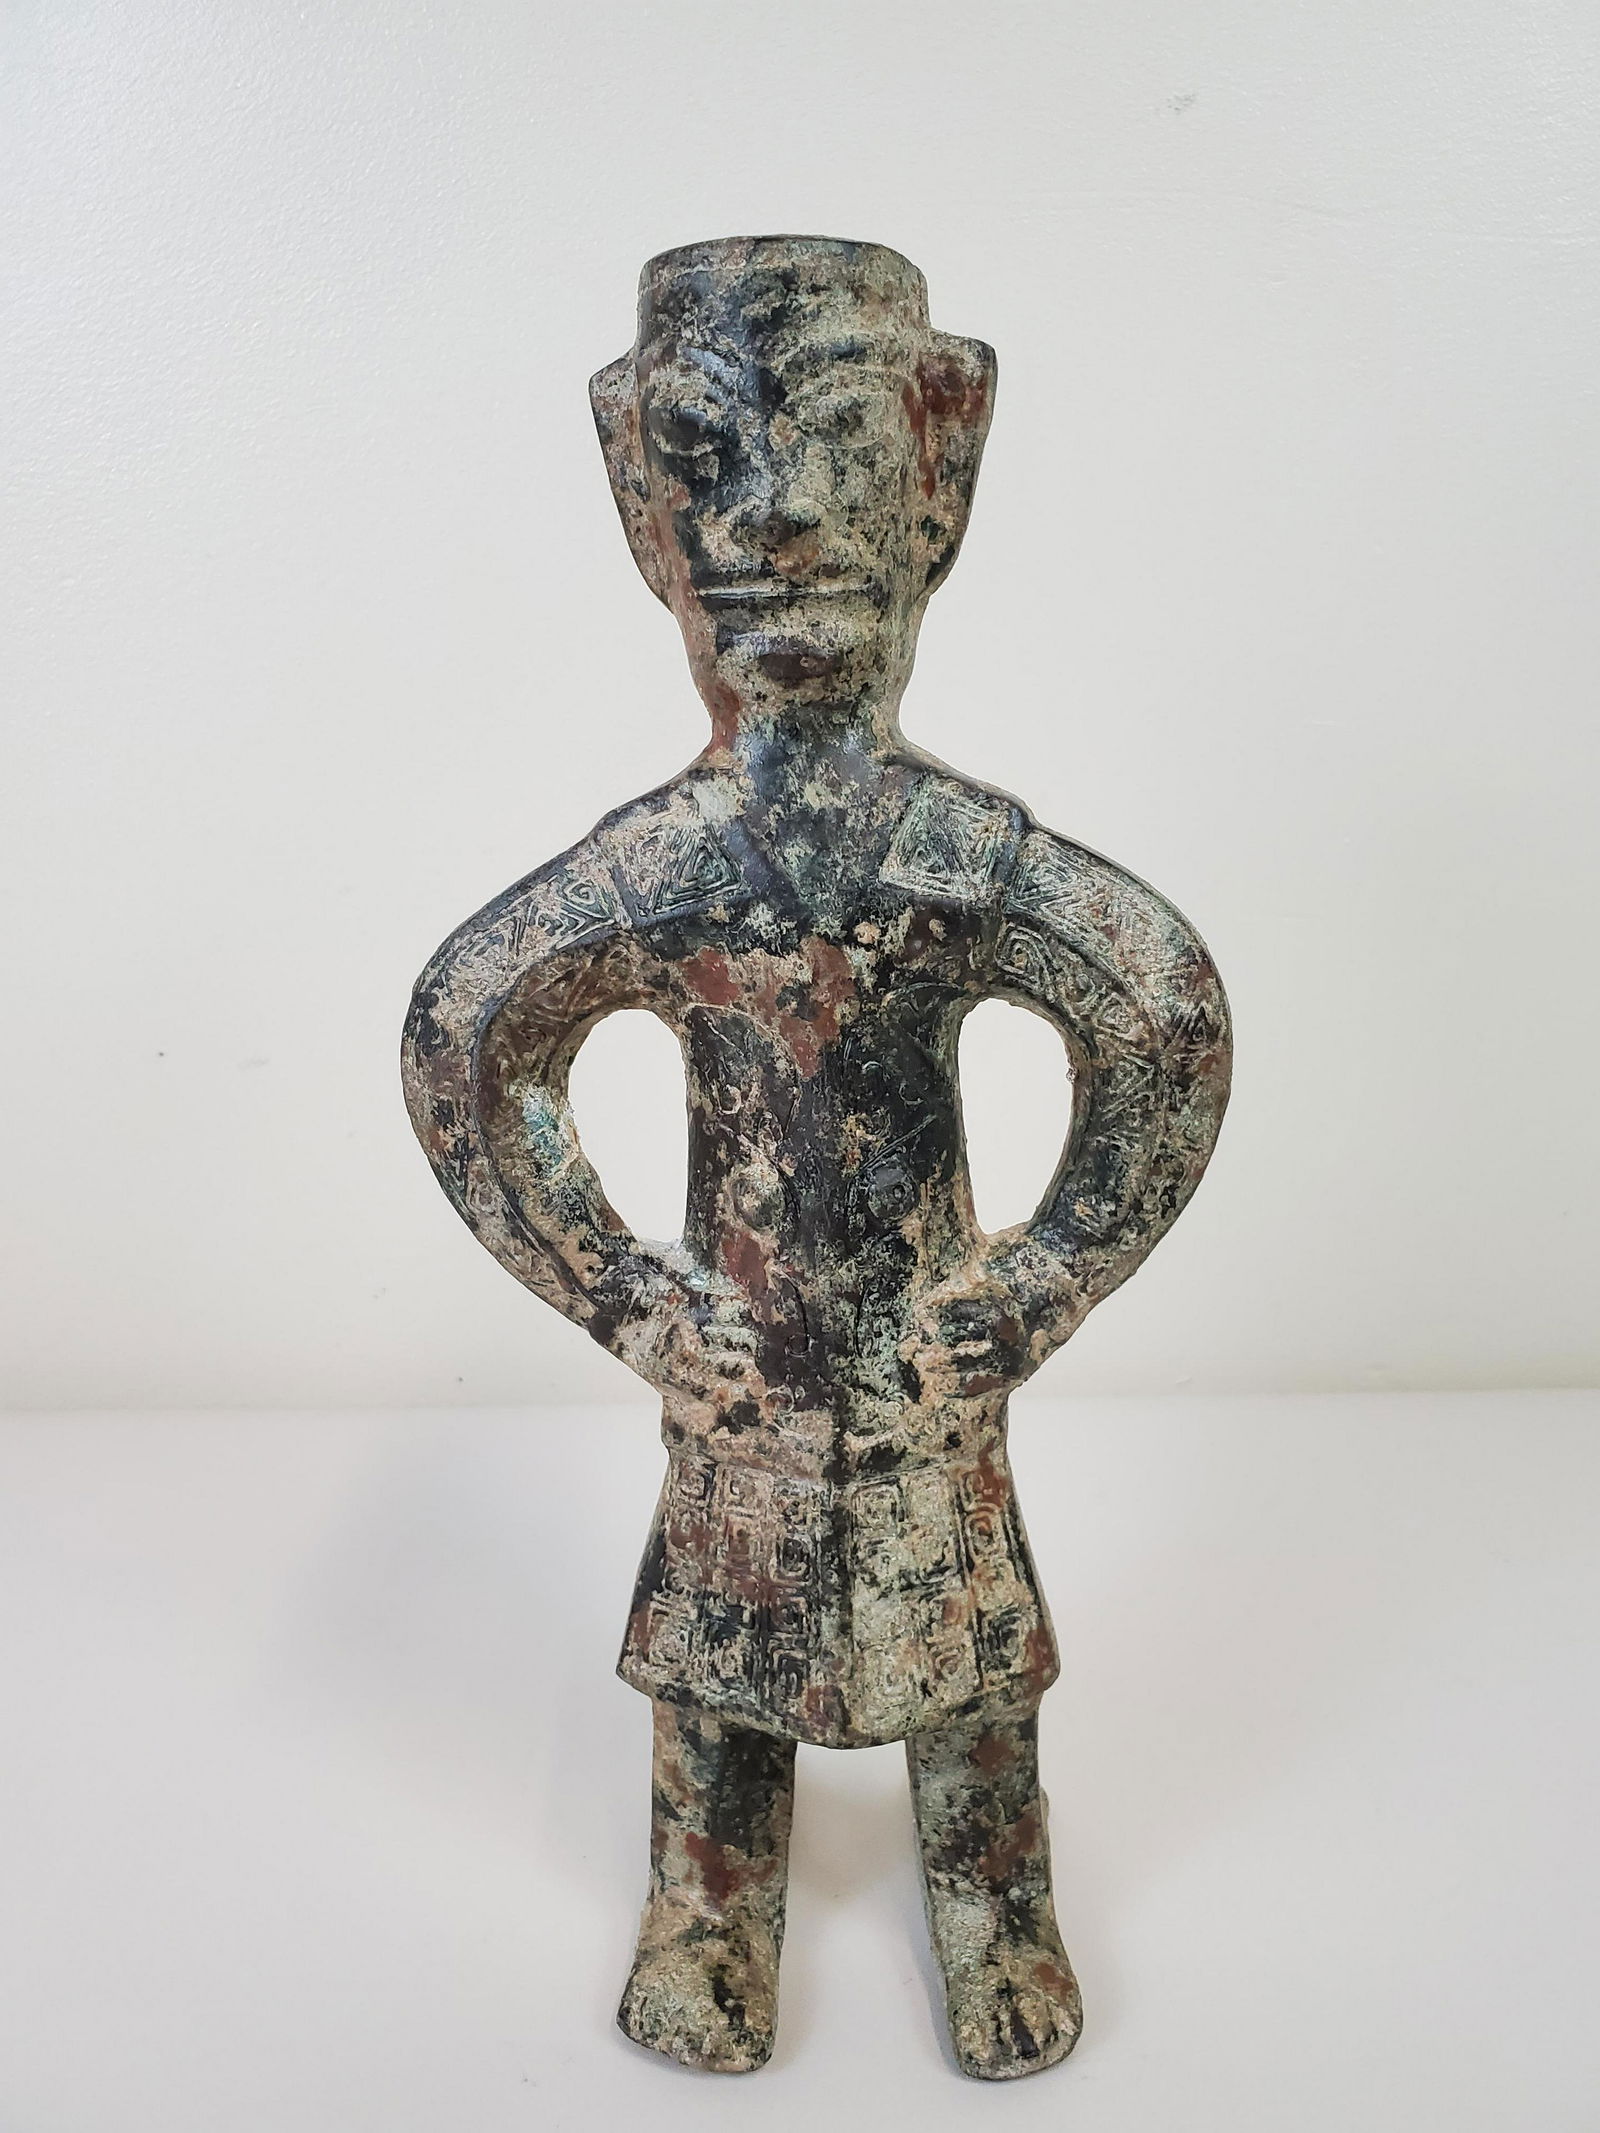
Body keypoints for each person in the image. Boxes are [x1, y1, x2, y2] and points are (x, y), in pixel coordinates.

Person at [402, 236, 1231, 2079]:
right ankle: (706, 1907)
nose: (775, 512)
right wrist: (633, 1301)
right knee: (723, 1628)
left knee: (965, 1629)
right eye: (711, 449)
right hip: (745, 1374)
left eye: (839, 435)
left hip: (928, 1369)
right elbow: (471, 1034)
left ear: (945, 461)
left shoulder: (960, 854)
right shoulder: (664, 865)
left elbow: (1163, 1018)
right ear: (638, 488)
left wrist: (1029, 1291)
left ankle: (995, 1892)